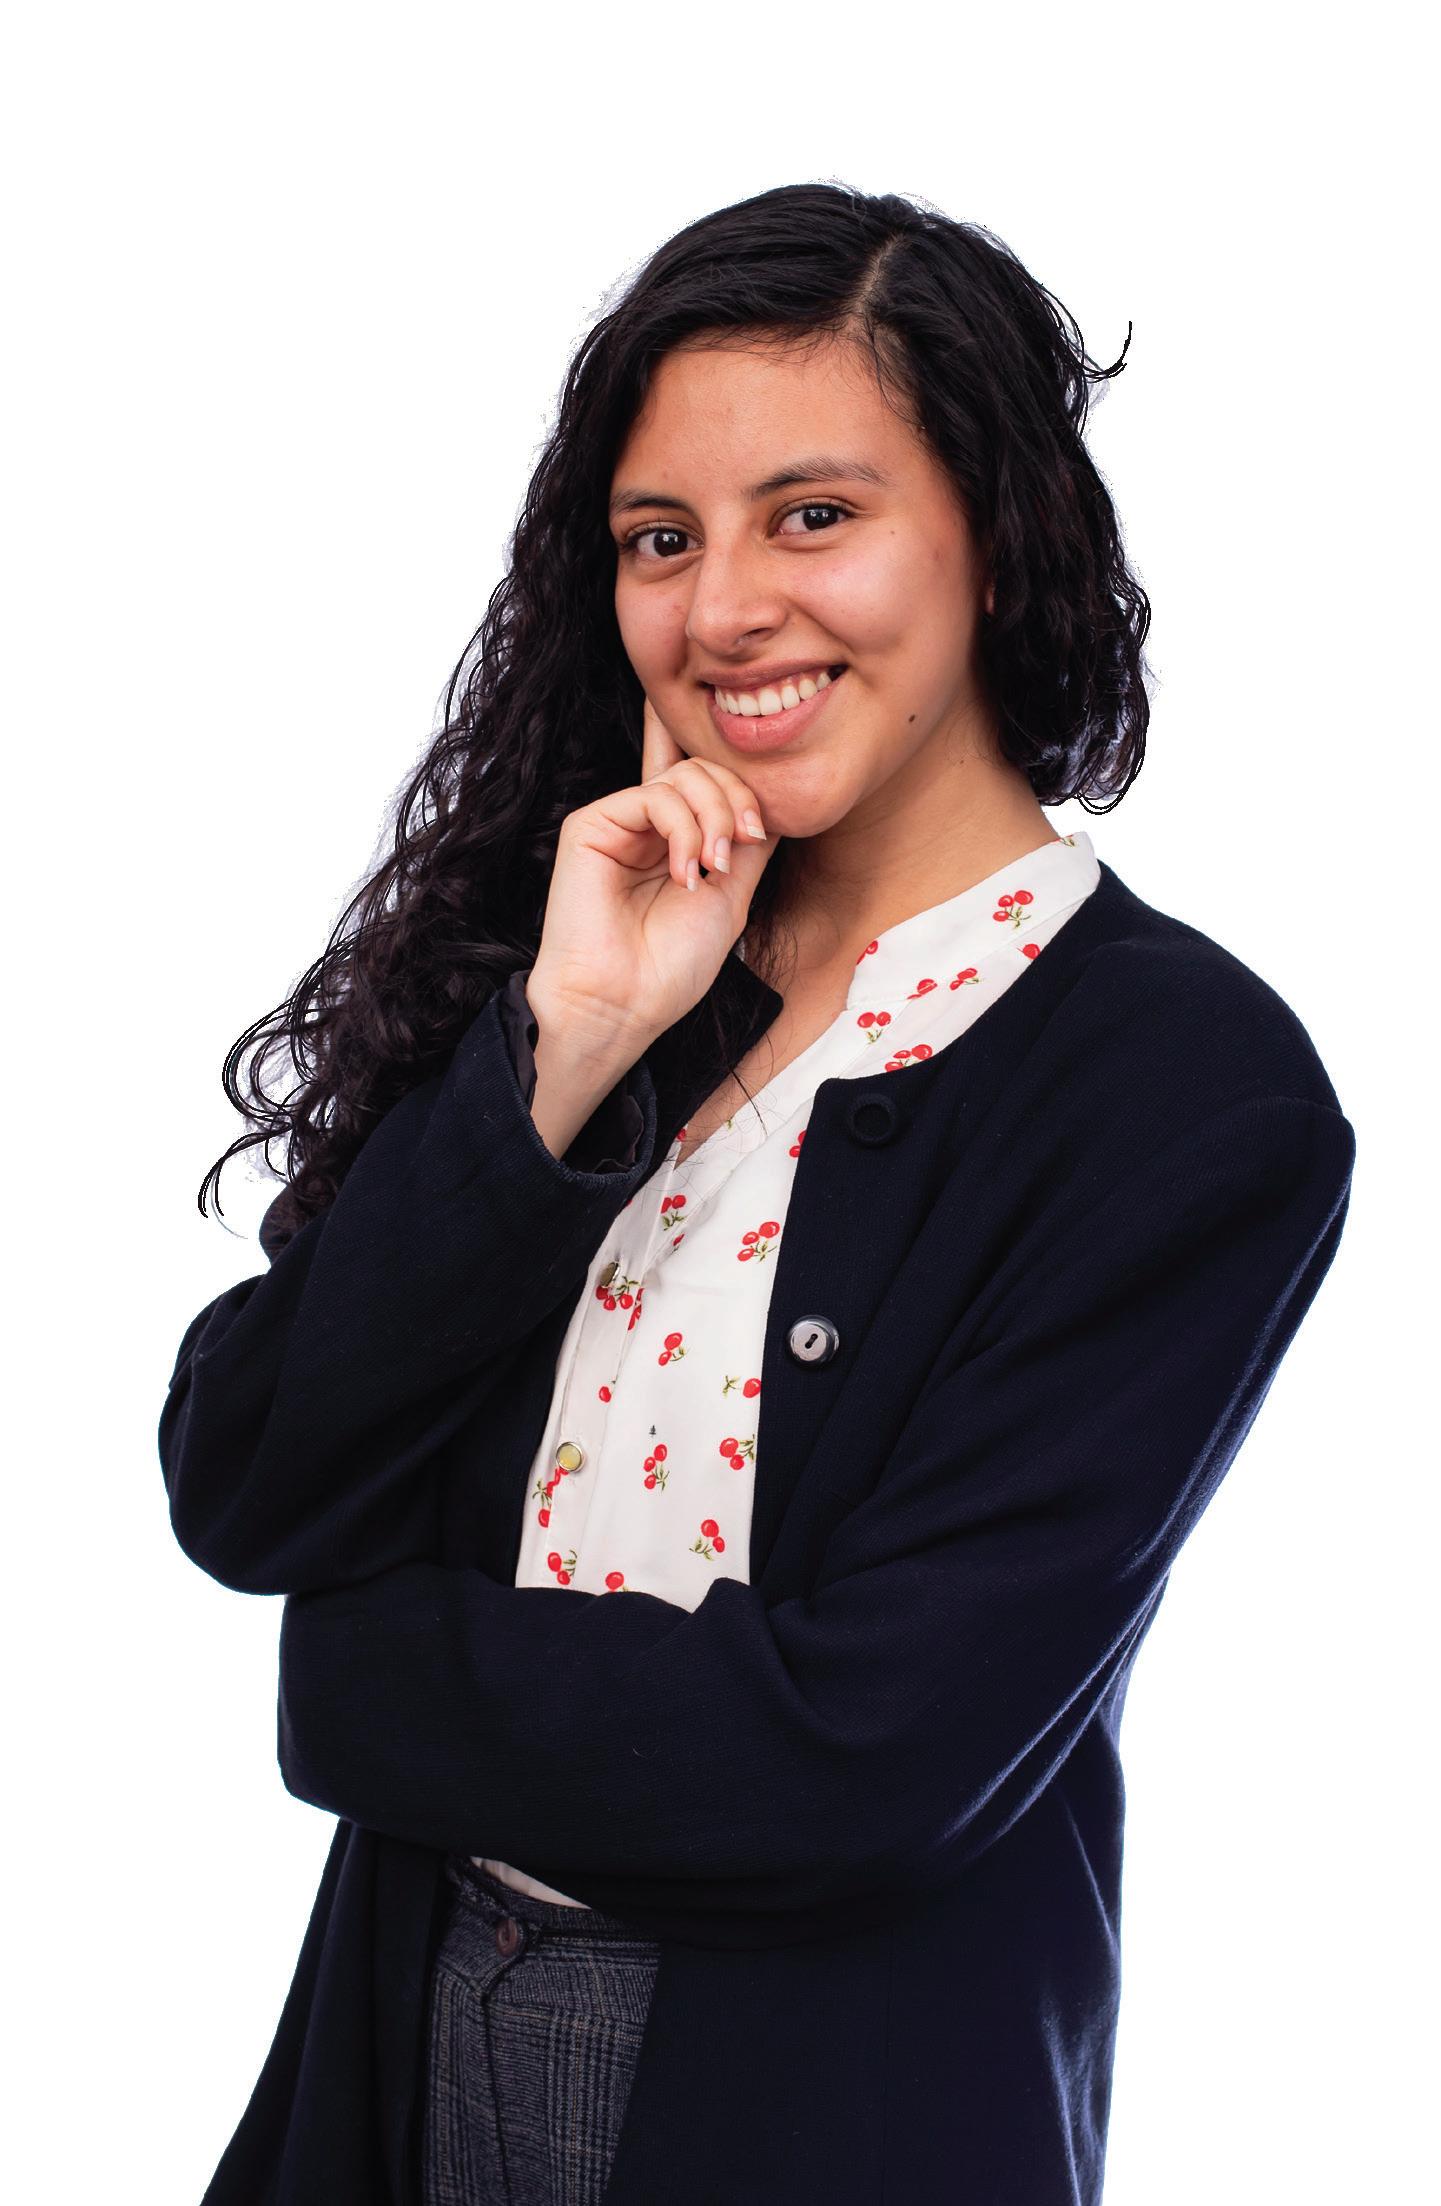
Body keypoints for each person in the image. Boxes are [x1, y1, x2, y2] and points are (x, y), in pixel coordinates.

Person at [159, 183, 1357, 2206]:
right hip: (401, 2030)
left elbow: (866, 1756)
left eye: (812, 515)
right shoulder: (603, 954)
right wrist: (563, 1051)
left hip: (825, 2104)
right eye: (660, 537)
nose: (721, 608)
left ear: (995, 533)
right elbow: (252, 1475)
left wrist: (354, 1677)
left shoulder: (1183, 1088)